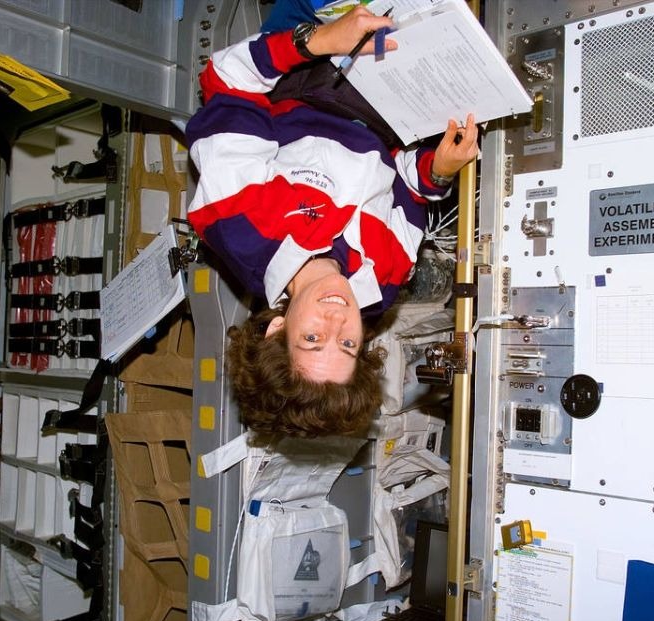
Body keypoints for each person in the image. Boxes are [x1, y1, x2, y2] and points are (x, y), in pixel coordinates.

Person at [186, 6, 479, 442]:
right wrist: (438, 170)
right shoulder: (381, 284)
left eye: (312, 337)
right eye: (347, 345)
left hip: (307, 65)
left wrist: (319, 40)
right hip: (398, 107)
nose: (338, 322)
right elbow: (409, 188)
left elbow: (228, 81)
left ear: (277, 329)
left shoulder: (236, 221)